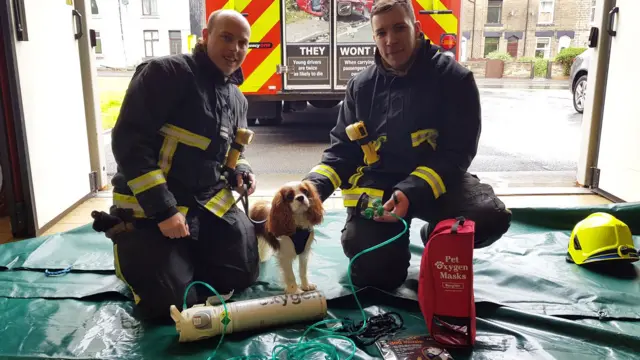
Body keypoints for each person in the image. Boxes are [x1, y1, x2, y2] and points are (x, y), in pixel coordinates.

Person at [303, 0, 512, 291]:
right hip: (381, 192)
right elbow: (342, 152)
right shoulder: (360, 87)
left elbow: (457, 152)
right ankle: (389, 248)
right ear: (374, 37)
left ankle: (436, 234)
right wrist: (311, 189)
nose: (391, 40)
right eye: (381, 32)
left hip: (436, 183)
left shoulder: (454, 79)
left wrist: (411, 191)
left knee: (489, 217)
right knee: (378, 277)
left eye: (399, 28)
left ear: (417, 28)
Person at [102, 9, 259, 321]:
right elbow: (128, 143)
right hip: (152, 209)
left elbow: (232, 154)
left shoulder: (236, 99)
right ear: (205, 37)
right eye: (226, 38)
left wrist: (242, 171)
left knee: (242, 274)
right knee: (169, 302)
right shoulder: (166, 73)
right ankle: (134, 251)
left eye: (243, 43)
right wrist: (164, 211)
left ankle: (184, 255)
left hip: (204, 204)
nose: (235, 49)